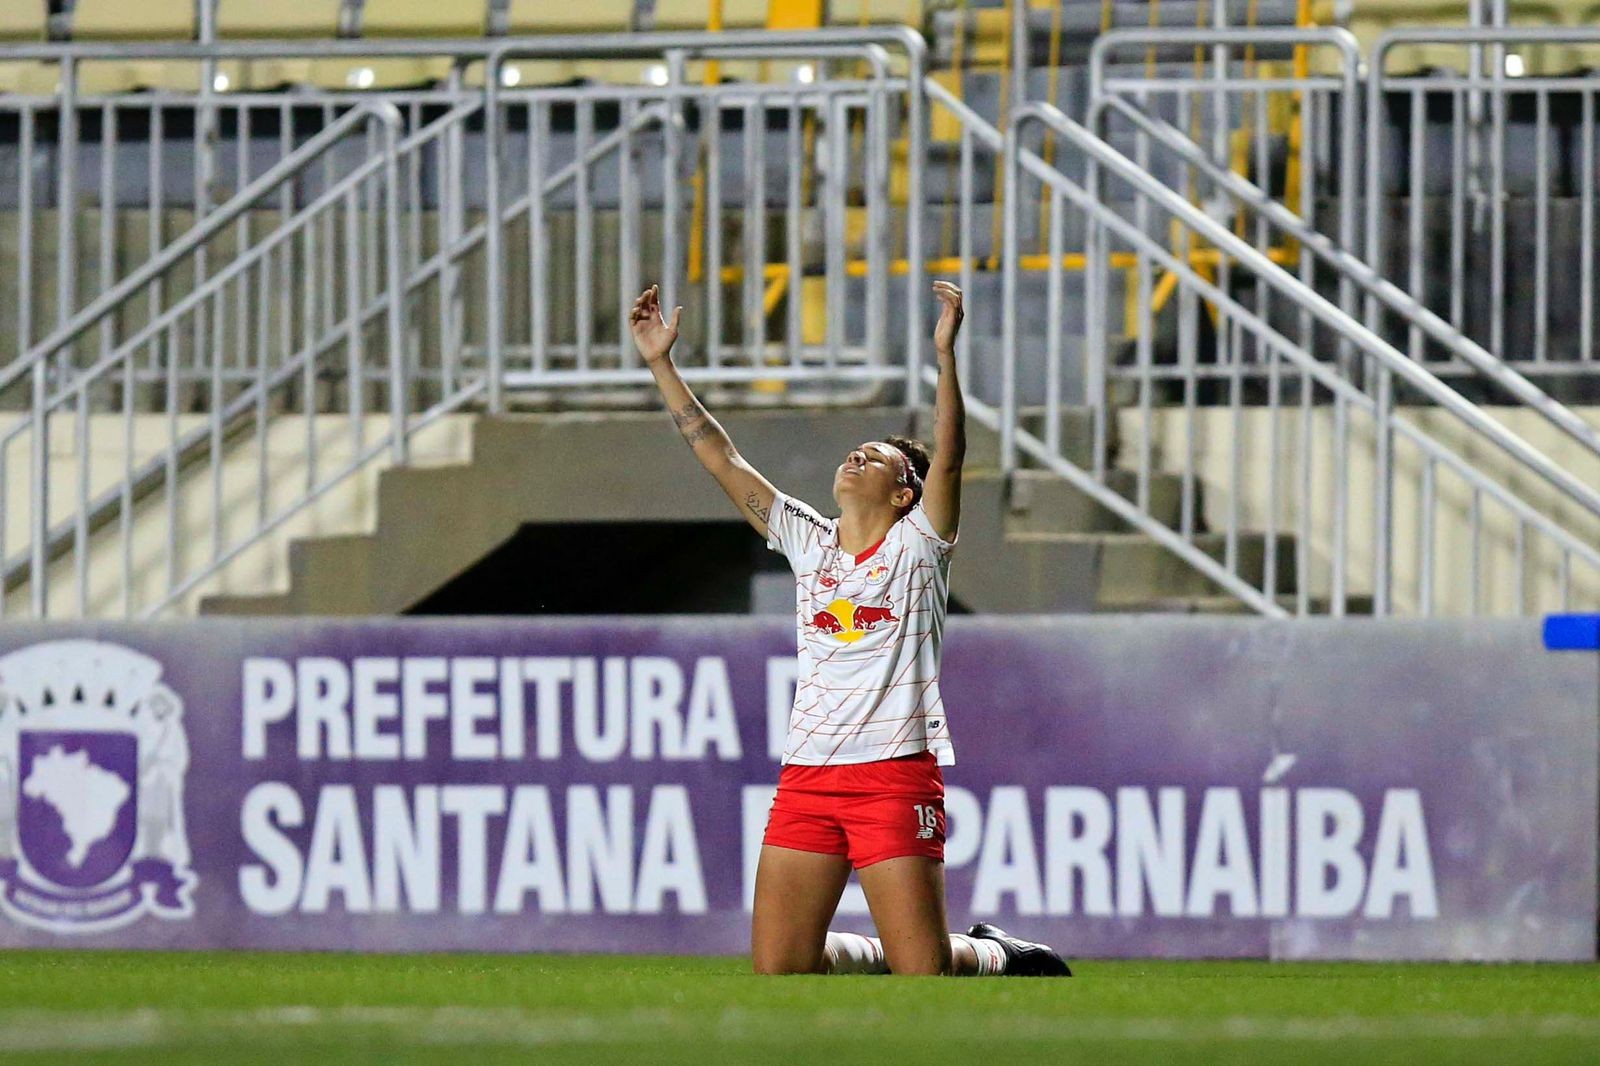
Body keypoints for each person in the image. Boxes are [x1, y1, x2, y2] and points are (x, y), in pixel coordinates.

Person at [629, 282, 1070, 978]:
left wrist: (945, 356)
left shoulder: (919, 544)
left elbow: (949, 457)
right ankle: (876, 952)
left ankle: (997, 954)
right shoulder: (810, 540)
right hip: (809, 773)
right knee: (781, 967)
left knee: (924, 971)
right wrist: (662, 365)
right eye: (855, 451)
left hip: (893, 774)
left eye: (878, 459)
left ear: (905, 495)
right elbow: (722, 457)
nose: (856, 458)